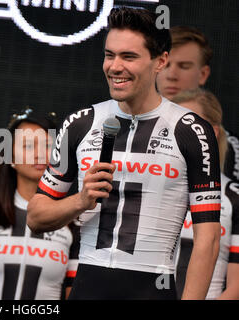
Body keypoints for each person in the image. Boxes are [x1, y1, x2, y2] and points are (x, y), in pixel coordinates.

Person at [27, 7, 221, 300]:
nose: (115, 67)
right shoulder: (80, 123)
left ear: (160, 61)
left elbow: (208, 240)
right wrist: (80, 200)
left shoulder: (192, 131)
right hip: (88, 285)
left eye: (128, 57)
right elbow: (35, 216)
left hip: (153, 287)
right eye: (109, 55)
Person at [0, 109, 79, 300]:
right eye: (28, 146)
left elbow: (75, 294)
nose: (39, 154)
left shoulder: (75, 225)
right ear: (10, 157)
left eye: (48, 145)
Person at [171, 88, 239, 300]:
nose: (179, 132)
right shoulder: (152, 186)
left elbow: (236, 287)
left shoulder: (233, 196)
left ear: (213, 132)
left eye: (189, 124)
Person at [156, 26, 239, 182]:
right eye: (165, 64)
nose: (172, 75)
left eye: (184, 66)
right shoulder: (124, 128)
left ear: (203, 74)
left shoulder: (233, 150)